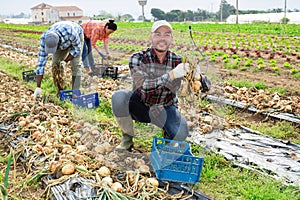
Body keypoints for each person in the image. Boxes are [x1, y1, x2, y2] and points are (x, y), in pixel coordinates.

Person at [111, 20, 190, 151]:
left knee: (181, 133)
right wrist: (171, 75)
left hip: (166, 107)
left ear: (171, 38)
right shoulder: (138, 58)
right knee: (119, 97)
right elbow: (144, 86)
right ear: (151, 37)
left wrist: (199, 78)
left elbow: (203, 86)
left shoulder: (178, 61)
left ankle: (167, 135)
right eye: (158, 34)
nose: (162, 38)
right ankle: (127, 139)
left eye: (167, 34)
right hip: (142, 105)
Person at [33, 21, 84, 100]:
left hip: (76, 36)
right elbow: (41, 63)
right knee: (55, 65)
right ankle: (60, 91)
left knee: (75, 65)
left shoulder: (71, 33)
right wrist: (38, 87)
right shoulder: (44, 39)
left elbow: (76, 49)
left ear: (59, 43)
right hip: (62, 39)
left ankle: (75, 92)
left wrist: (65, 61)